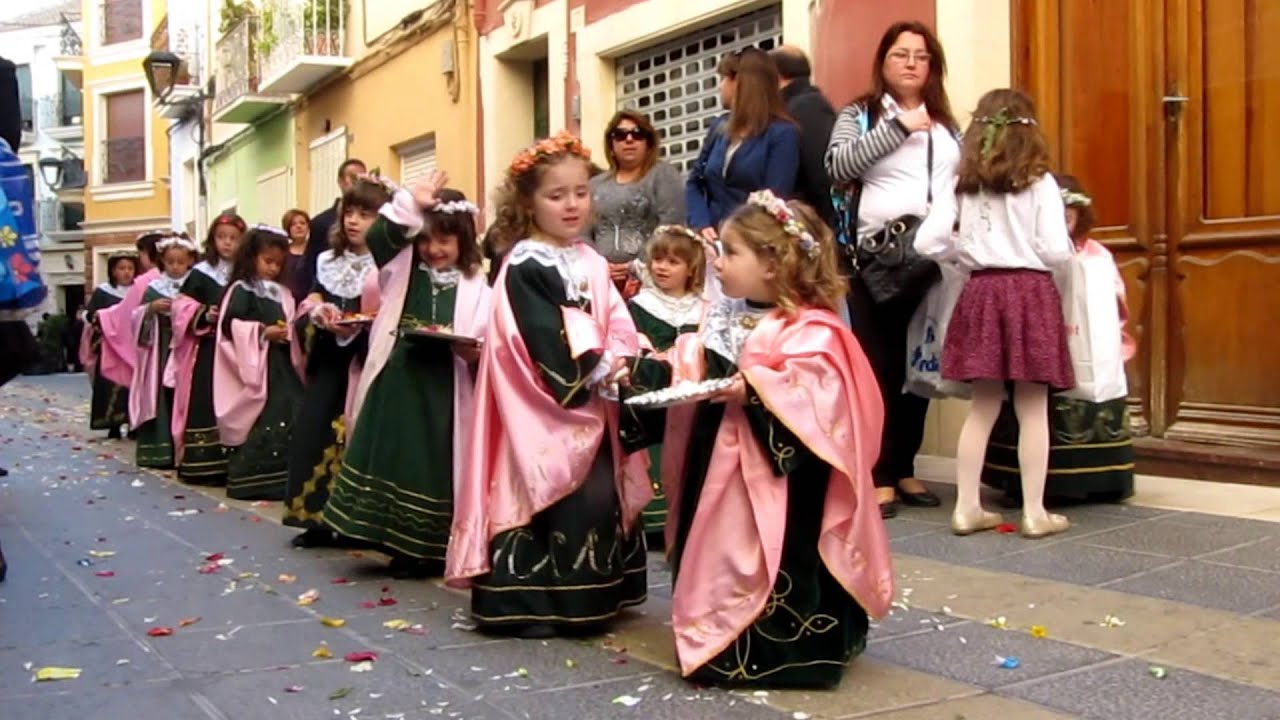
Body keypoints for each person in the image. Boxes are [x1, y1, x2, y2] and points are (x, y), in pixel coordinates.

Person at [621, 191, 891, 688]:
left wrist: (759, 389)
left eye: (730, 252)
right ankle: (720, 634)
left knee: (783, 555)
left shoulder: (814, 329)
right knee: (719, 551)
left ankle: (787, 650)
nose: (718, 262)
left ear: (772, 263)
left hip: (782, 480)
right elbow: (690, 367)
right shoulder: (721, 318)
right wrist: (638, 372)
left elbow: (824, 396)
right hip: (717, 468)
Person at [445, 133, 650, 638]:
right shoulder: (525, 264)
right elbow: (538, 334)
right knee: (550, 496)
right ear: (528, 203)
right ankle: (534, 603)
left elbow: (615, 316)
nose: (572, 204)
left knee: (595, 498)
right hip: (542, 406)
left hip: (592, 401)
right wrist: (594, 365)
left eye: (580, 192)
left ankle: (592, 597)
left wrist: (626, 354)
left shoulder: (590, 259)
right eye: (556, 195)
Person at [915, 88, 1076, 539]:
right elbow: (1055, 250)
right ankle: (1035, 512)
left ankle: (966, 507)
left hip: (982, 292)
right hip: (1030, 292)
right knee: (1032, 407)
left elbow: (926, 242)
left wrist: (963, 254)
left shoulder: (962, 184)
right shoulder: (1040, 183)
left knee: (983, 406)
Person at [824, 21, 961, 518]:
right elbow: (837, 166)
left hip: (934, 261)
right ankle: (877, 472)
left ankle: (904, 465)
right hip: (875, 261)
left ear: (933, 67)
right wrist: (898, 128)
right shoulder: (860, 114)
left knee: (920, 367)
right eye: (900, 54)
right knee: (879, 366)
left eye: (921, 56)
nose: (910, 63)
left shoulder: (947, 126)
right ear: (883, 62)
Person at [325, 178, 492, 577]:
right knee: (393, 456)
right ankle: (386, 536)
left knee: (431, 465)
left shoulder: (477, 286)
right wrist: (410, 203)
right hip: (398, 380)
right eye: (426, 240)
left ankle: (428, 547)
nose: (434, 250)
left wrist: (474, 352)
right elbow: (379, 237)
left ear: (464, 241)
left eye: (444, 241)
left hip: (444, 390)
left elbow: (487, 335)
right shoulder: (403, 269)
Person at [983, 175, 1136, 505]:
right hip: (1040, 340)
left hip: (1083, 342)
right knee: (1031, 402)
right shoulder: (1030, 253)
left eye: (1070, 216)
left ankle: (1103, 479)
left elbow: (1113, 295)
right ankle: (1027, 481)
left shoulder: (1096, 253)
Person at [284, 178, 386, 548]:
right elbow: (312, 296)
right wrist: (317, 311)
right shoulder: (328, 260)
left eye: (365, 214)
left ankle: (358, 524)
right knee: (316, 430)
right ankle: (316, 518)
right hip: (330, 361)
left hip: (367, 362)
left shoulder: (389, 264)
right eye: (350, 213)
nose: (353, 221)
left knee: (362, 437)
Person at [625, 224, 707, 546]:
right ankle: (653, 521)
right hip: (655, 395)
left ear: (691, 269)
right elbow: (631, 342)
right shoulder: (639, 305)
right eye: (658, 259)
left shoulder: (704, 309)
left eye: (673, 262)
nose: (662, 267)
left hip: (692, 398)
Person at [214, 226, 305, 501]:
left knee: (292, 410)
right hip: (256, 364)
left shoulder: (283, 293)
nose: (273, 268)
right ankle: (252, 480)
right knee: (262, 415)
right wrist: (262, 332)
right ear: (251, 257)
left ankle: (285, 479)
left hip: (282, 363)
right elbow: (230, 326)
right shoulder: (242, 289)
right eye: (268, 261)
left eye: (278, 263)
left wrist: (289, 332)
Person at [686, 47, 799, 239]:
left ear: (739, 81)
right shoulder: (719, 127)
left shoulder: (782, 134)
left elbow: (774, 199)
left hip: (752, 241)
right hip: (712, 240)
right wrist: (701, 223)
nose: (719, 87)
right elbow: (695, 181)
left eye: (724, 78)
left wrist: (739, 234)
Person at [170, 213, 246, 485]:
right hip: (210, 349)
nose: (227, 243)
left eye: (233, 238)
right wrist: (203, 314)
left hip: (240, 349)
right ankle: (204, 463)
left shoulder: (245, 273)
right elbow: (180, 306)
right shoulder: (201, 273)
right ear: (213, 240)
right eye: (221, 237)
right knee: (207, 399)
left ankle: (237, 461)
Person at [589, 110, 687, 296]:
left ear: (648, 143)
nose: (629, 139)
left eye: (637, 134)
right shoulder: (594, 185)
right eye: (620, 135)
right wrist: (598, 266)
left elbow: (670, 224)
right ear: (611, 144)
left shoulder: (663, 175)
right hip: (602, 281)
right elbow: (583, 232)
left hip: (651, 279)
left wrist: (636, 265)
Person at [130, 234, 198, 468]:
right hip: (161, 348)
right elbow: (136, 317)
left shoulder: (195, 284)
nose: (175, 267)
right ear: (162, 262)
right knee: (161, 394)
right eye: (170, 262)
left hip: (187, 346)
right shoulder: (155, 288)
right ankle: (160, 449)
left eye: (180, 262)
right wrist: (150, 309)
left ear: (190, 261)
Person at [93, 231, 165, 406]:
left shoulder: (144, 281)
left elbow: (124, 314)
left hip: (149, 344)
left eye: (141, 254)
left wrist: (103, 315)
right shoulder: (175, 276)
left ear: (147, 253)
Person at [770, 46, 837, 226]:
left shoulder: (807, 108)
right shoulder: (793, 107)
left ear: (776, 75)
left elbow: (821, 171)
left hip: (810, 224)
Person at [83, 252, 138, 438]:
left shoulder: (138, 290)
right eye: (122, 268)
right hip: (110, 348)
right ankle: (113, 424)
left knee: (133, 386)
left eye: (130, 268)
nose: (126, 272)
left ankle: (133, 424)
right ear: (113, 271)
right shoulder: (103, 291)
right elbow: (90, 315)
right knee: (110, 385)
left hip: (133, 348)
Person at [307, 159, 367, 285]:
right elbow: (310, 267)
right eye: (353, 178)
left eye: (362, 178)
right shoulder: (320, 222)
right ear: (340, 182)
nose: (358, 183)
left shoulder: (377, 219)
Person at [280, 209, 312, 303]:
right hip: (286, 301)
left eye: (302, 223)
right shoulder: (282, 252)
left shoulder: (315, 251)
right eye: (293, 224)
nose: (299, 226)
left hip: (309, 302)